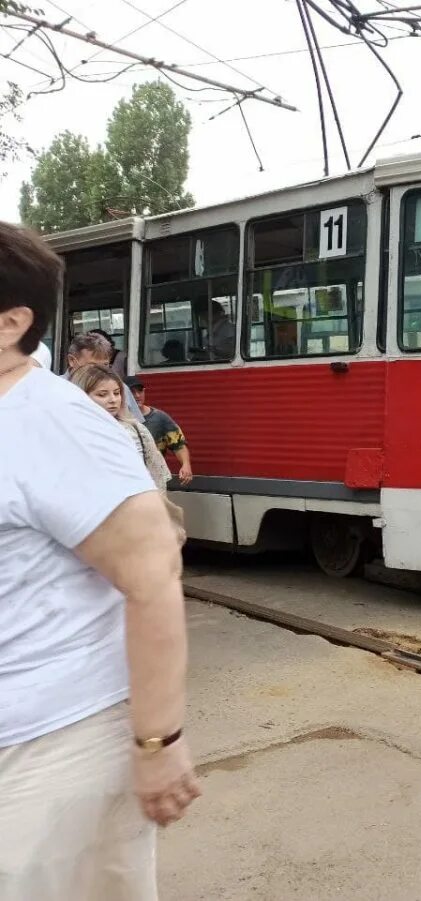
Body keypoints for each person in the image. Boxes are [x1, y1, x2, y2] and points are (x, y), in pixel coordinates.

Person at [0, 221, 199, 901]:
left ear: (11, 324)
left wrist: (158, 742)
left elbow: (152, 573)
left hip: (53, 746)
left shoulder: (51, 422)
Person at [72, 364, 172, 491]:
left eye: (117, 393)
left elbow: (157, 478)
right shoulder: (69, 433)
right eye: (102, 395)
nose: (113, 400)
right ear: (82, 396)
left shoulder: (137, 430)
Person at [63, 331, 144, 424]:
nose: (100, 371)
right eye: (92, 365)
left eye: (105, 365)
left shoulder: (120, 388)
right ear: (72, 360)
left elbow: (136, 425)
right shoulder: (56, 388)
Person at [127, 375, 194, 486]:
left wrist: (186, 465)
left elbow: (179, 445)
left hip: (154, 480)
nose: (137, 396)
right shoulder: (117, 420)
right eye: (132, 392)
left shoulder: (160, 418)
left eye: (140, 391)